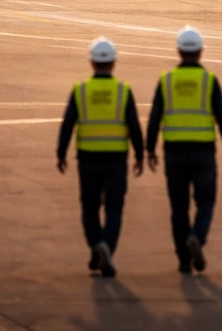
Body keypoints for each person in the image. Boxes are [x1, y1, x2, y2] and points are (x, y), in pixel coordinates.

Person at [146, 25, 222, 274]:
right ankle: (198, 236)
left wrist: (149, 150)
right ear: (201, 52)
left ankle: (184, 259)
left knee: (179, 207)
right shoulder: (208, 80)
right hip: (203, 151)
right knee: (205, 201)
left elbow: (155, 118)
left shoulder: (167, 80)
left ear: (178, 50)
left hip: (174, 152)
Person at [56, 37, 144, 278]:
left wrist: (61, 153)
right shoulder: (122, 91)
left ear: (91, 62)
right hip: (116, 158)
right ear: (113, 63)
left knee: (90, 206)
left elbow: (68, 124)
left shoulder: (80, 90)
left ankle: (96, 245)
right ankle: (107, 247)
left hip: (88, 158)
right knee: (114, 208)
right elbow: (134, 126)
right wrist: (140, 154)